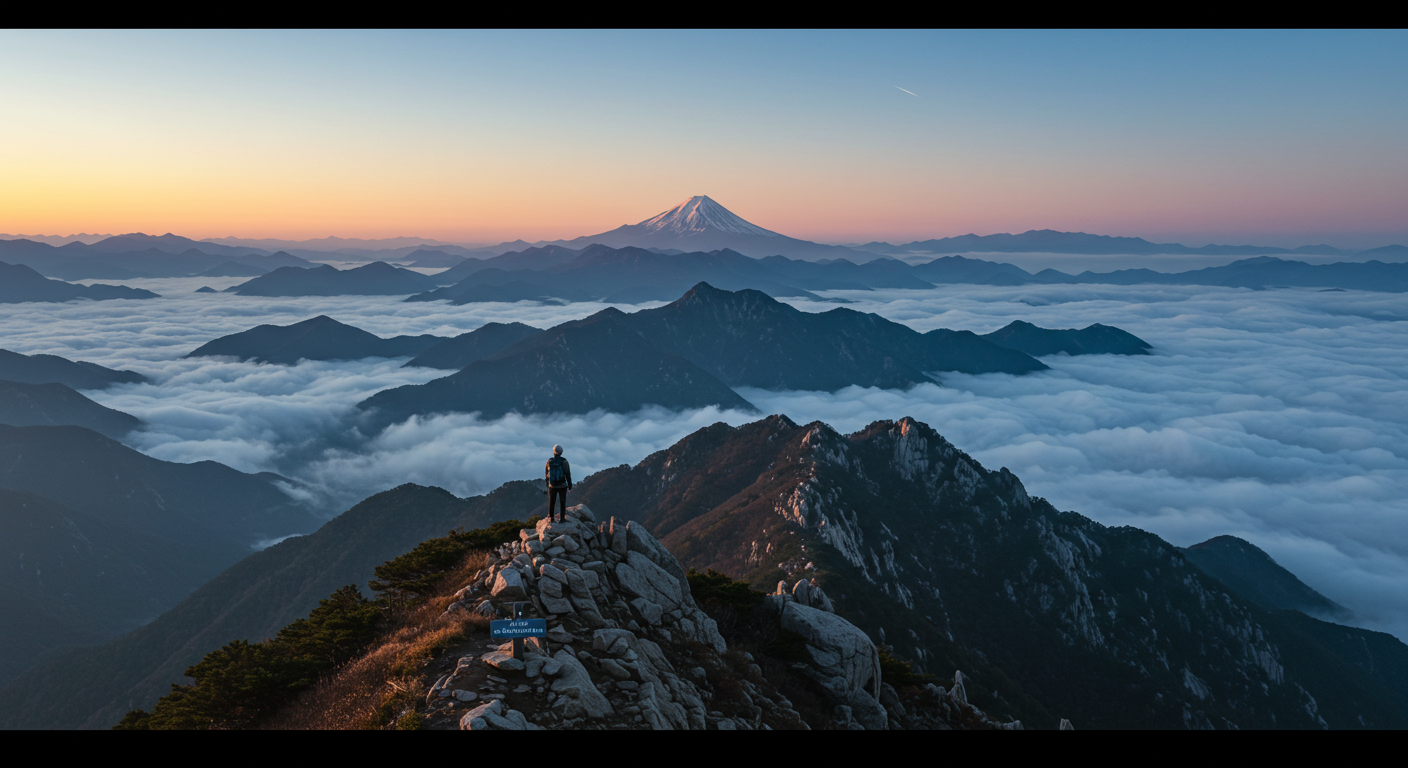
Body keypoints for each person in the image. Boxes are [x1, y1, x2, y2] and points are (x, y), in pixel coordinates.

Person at [545, 444, 573, 522]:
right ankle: (562, 519)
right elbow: (567, 473)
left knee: (551, 502)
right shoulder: (564, 461)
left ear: (554, 452)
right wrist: (570, 485)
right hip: (562, 485)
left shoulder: (549, 461)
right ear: (561, 452)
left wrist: (548, 484)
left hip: (552, 485)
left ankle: (551, 518)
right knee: (562, 502)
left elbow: (547, 473)